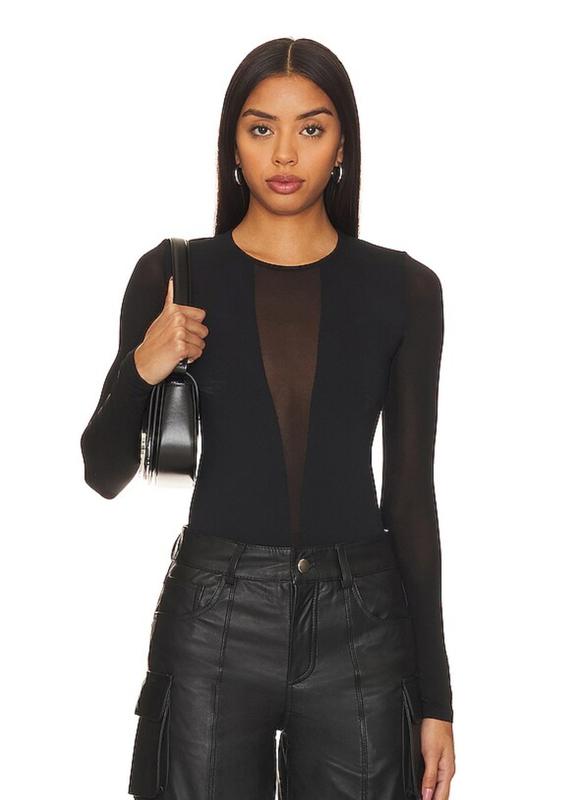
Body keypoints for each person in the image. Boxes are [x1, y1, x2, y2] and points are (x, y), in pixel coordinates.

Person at [80, 36, 456, 800]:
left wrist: (437, 699)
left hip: (364, 626)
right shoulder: (173, 274)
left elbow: (411, 497)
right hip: (212, 619)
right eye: (261, 128)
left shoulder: (406, 289)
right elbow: (102, 471)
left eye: (311, 128)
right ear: (233, 143)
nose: (285, 154)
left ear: (342, 144)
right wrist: (142, 365)